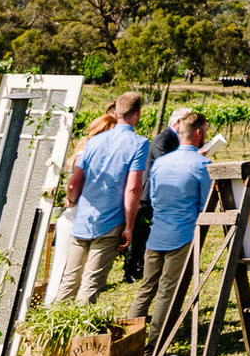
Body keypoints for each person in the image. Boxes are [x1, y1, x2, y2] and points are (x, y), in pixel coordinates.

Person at [53, 91, 148, 304]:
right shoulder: (138, 143)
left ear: (117, 112)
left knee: (69, 281)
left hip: (84, 219)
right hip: (110, 221)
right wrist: (129, 227)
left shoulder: (93, 142)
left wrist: (74, 201)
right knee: (91, 284)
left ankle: (51, 332)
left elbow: (74, 183)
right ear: (138, 114)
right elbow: (132, 188)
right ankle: (78, 336)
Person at [128, 107, 212, 337]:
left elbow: (153, 197)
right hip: (182, 234)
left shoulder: (160, 163)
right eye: (204, 132)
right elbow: (206, 204)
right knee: (167, 292)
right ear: (197, 134)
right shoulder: (202, 165)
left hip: (157, 234)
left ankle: (128, 339)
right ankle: (154, 346)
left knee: (146, 289)